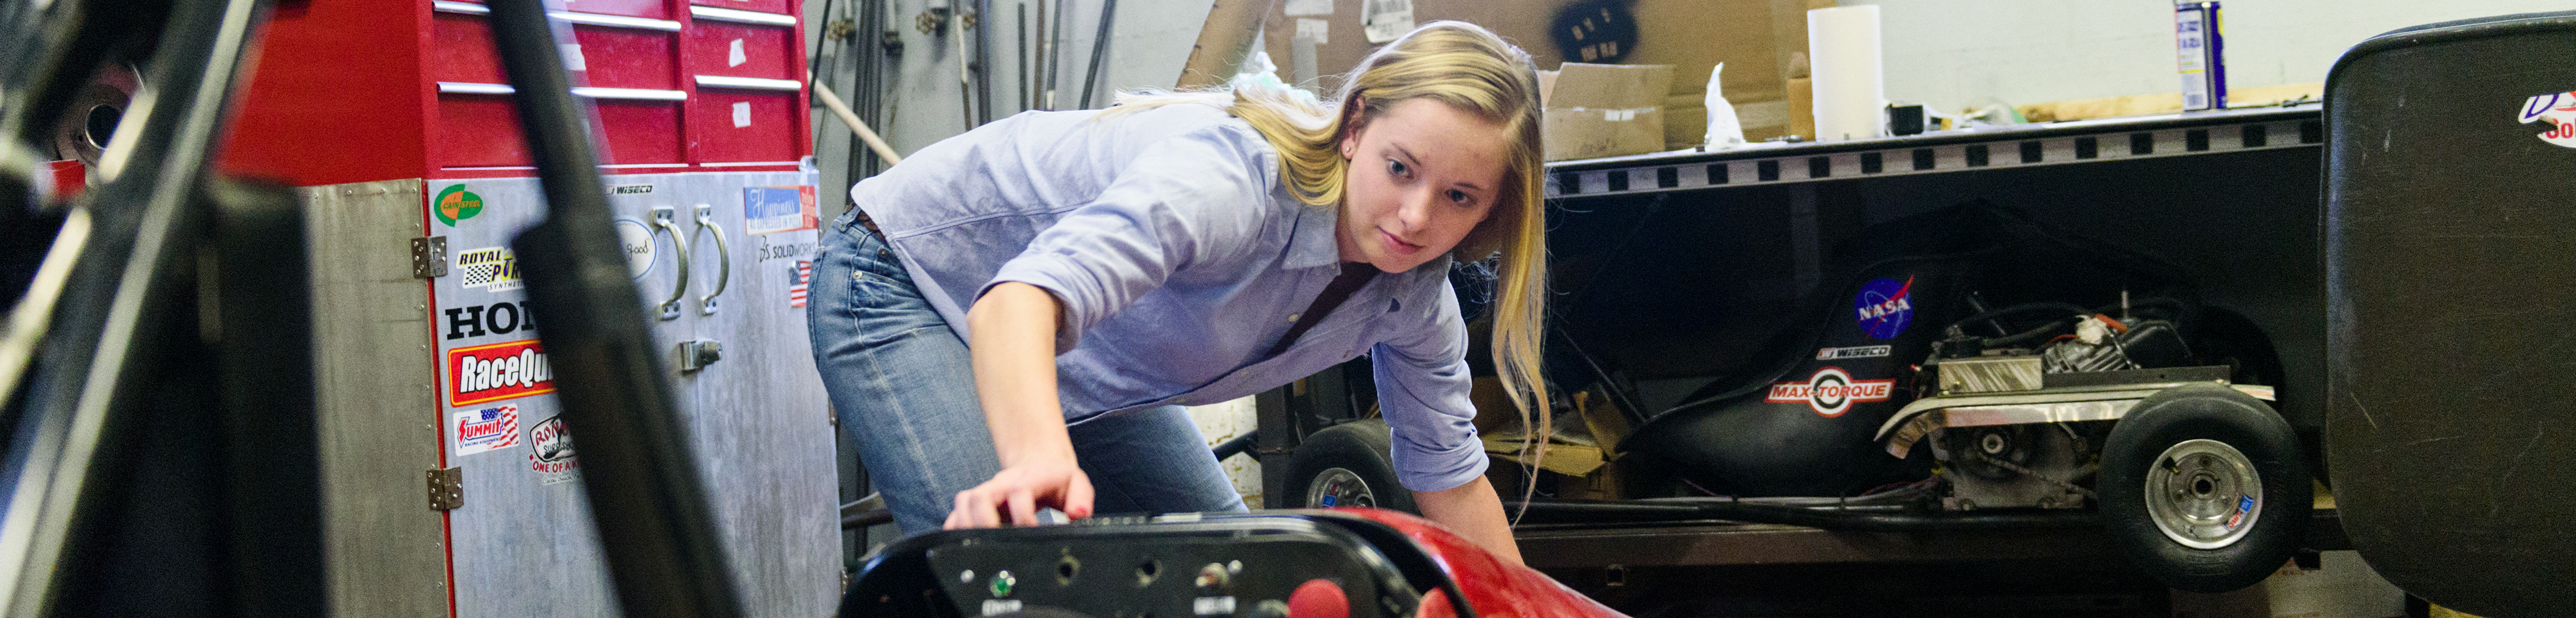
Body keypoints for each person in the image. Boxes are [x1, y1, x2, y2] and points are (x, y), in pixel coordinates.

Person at [808, 20, 1549, 562]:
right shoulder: (1233, 185)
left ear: (1492, 210)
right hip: (908, 281)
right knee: (1020, 576)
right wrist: (1038, 459)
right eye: (1400, 169)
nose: (1416, 216)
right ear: (1355, 128)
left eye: (1458, 196)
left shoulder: (1413, 300)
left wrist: (1529, 608)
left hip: (1070, 353)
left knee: (1237, 579)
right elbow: (1016, 303)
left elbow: (1450, 479)